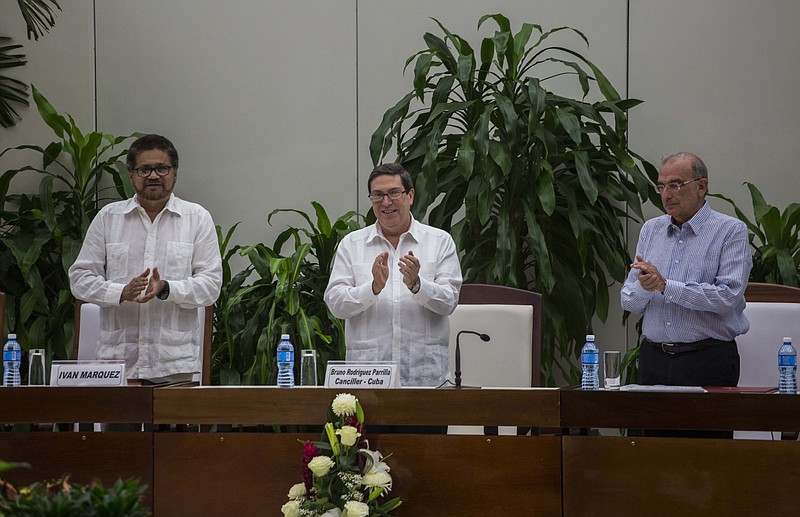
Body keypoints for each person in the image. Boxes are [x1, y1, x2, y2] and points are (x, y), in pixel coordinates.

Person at [69, 134, 222, 380]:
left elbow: (211, 286)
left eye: (162, 168)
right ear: (131, 175)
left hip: (174, 365)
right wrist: (121, 292)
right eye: (144, 169)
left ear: (175, 173)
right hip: (117, 363)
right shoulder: (109, 218)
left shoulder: (197, 218)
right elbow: (79, 279)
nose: (153, 176)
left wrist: (166, 288)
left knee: (172, 418)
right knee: (121, 420)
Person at [621, 153, 751, 435]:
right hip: (654, 360)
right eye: (661, 186)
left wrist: (667, 286)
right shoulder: (651, 230)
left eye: (676, 185)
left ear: (702, 186)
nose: (666, 195)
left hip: (707, 360)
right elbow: (628, 299)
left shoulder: (730, 231)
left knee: (706, 459)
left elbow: (727, 297)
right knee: (651, 458)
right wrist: (646, 286)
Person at [324, 163, 462, 388]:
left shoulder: (439, 241)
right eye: (377, 195)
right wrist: (372, 289)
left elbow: (449, 301)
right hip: (368, 382)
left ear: (410, 196)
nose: (385, 202)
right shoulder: (352, 244)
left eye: (393, 193)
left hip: (426, 381)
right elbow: (336, 304)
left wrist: (418, 285)